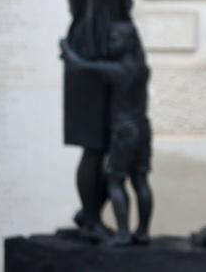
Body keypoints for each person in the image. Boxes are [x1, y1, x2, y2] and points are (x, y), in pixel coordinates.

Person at [53, 0, 160, 240]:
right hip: (87, 55)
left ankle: (92, 216)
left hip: (116, 54)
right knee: (93, 145)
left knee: (114, 142)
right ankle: (93, 220)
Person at [60, 21, 153, 247]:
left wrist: (66, 47)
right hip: (142, 128)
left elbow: (80, 65)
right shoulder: (141, 67)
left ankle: (123, 233)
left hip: (123, 131)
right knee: (140, 179)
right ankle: (141, 232)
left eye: (114, 39)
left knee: (115, 181)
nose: (110, 43)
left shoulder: (119, 69)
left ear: (128, 41)